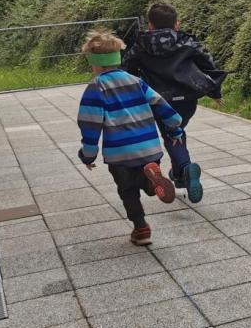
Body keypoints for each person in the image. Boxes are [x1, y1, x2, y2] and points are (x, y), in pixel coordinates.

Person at [77, 30, 184, 246]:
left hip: (120, 154)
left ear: (94, 63)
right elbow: (161, 104)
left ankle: (141, 228)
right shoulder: (136, 81)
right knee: (143, 180)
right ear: (117, 58)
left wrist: (88, 155)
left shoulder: (96, 87)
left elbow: (90, 125)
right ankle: (152, 182)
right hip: (149, 149)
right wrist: (175, 129)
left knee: (128, 191)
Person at [122, 1, 226, 204]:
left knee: (169, 133)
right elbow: (209, 64)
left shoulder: (140, 46)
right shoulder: (187, 43)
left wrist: (131, 95)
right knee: (175, 131)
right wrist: (214, 91)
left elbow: (127, 69)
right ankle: (180, 173)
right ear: (176, 24)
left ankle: (181, 168)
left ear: (150, 25)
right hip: (187, 99)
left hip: (158, 100)